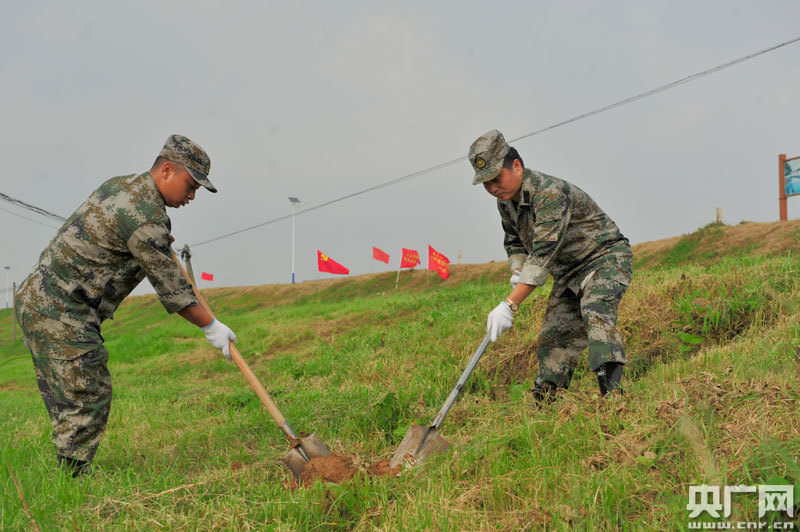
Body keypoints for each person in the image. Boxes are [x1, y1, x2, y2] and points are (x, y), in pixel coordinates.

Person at [15, 134, 237, 477]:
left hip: (38, 299)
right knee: (88, 394)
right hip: (62, 311)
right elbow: (175, 293)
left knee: (69, 399)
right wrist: (211, 327)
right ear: (166, 170)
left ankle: (66, 474)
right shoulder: (147, 217)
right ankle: (72, 484)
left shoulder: (122, 186)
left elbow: (122, 234)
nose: (192, 196)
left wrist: (157, 243)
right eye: (190, 184)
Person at [470, 129, 632, 401]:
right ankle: (547, 402)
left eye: (496, 179)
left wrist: (509, 304)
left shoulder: (549, 193)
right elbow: (514, 242)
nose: (493, 188)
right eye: (486, 184)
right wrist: (518, 269)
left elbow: (543, 254)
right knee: (554, 336)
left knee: (595, 311)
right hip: (568, 272)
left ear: (517, 166)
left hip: (604, 259)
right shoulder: (506, 203)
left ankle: (613, 398)